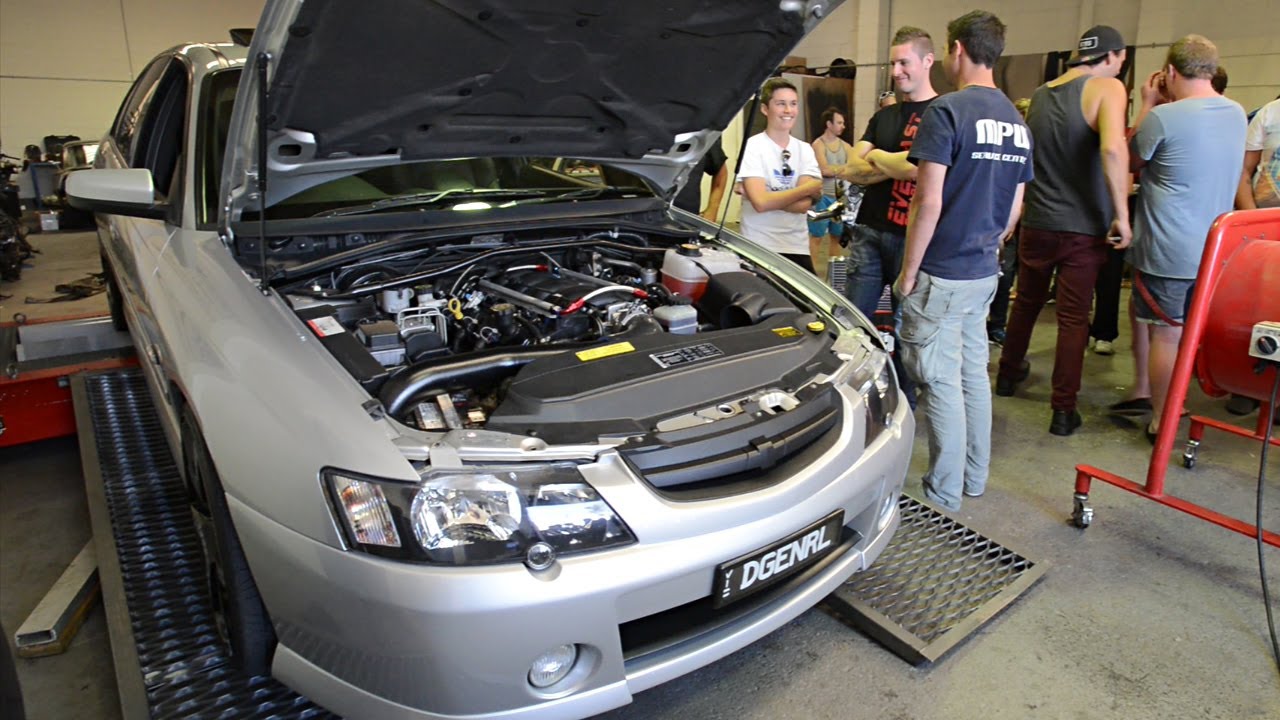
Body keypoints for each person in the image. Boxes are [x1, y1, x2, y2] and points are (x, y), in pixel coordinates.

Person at [895, 10, 1032, 511]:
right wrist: (990, 244)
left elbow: (926, 201)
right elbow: (1015, 205)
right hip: (983, 272)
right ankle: (974, 478)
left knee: (940, 382)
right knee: (974, 375)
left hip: (942, 272)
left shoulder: (948, 112)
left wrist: (909, 273)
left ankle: (943, 492)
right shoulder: (1017, 122)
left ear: (955, 50)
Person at [994, 25, 1133, 436]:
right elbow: (1111, 148)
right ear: (1111, 56)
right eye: (1121, 63)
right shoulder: (1107, 89)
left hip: (1038, 220)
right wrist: (1121, 215)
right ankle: (1062, 410)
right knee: (1073, 318)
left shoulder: (1040, 94)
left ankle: (1007, 375)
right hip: (1082, 228)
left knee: (1027, 303)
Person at [1115, 35, 1246, 443]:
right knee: (1189, 333)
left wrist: (1150, 104)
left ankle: (1162, 418)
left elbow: (1128, 161)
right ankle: (1178, 403)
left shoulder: (1164, 119)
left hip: (1166, 251)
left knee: (1164, 335)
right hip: (1215, 252)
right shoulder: (1236, 113)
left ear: (1170, 72)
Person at [738, 77, 823, 272]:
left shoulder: (805, 150)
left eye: (793, 104)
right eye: (781, 104)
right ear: (765, 109)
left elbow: (803, 206)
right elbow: (761, 203)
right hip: (758, 244)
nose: (788, 111)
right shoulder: (752, 147)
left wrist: (764, 196)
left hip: (796, 246)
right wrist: (806, 189)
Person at [986, 96, 1032, 345]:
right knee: (998, 275)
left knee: (1008, 277)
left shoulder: (1031, 147)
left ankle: (998, 325)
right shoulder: (1001, 145)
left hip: (1024, 220)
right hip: (1002, 219)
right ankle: (990, 325)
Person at [810, 108, 854, 278]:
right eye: (839, 122)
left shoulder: (846, 146)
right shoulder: (818, 145)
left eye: (843, 123)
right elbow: (825, 170)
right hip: (822, 198)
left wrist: (838, 170)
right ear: (829, 124)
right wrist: (843, 169)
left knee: (836, 237)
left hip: (840, 199)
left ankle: (833, 278)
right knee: (817, 237)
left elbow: (854, 167)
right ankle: (812, 277)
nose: (843, 126)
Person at [672, 141, 728, 222]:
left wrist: (712, 210)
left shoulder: (700, 134)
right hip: (650, 213)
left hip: (687, 217)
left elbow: (721, 172)